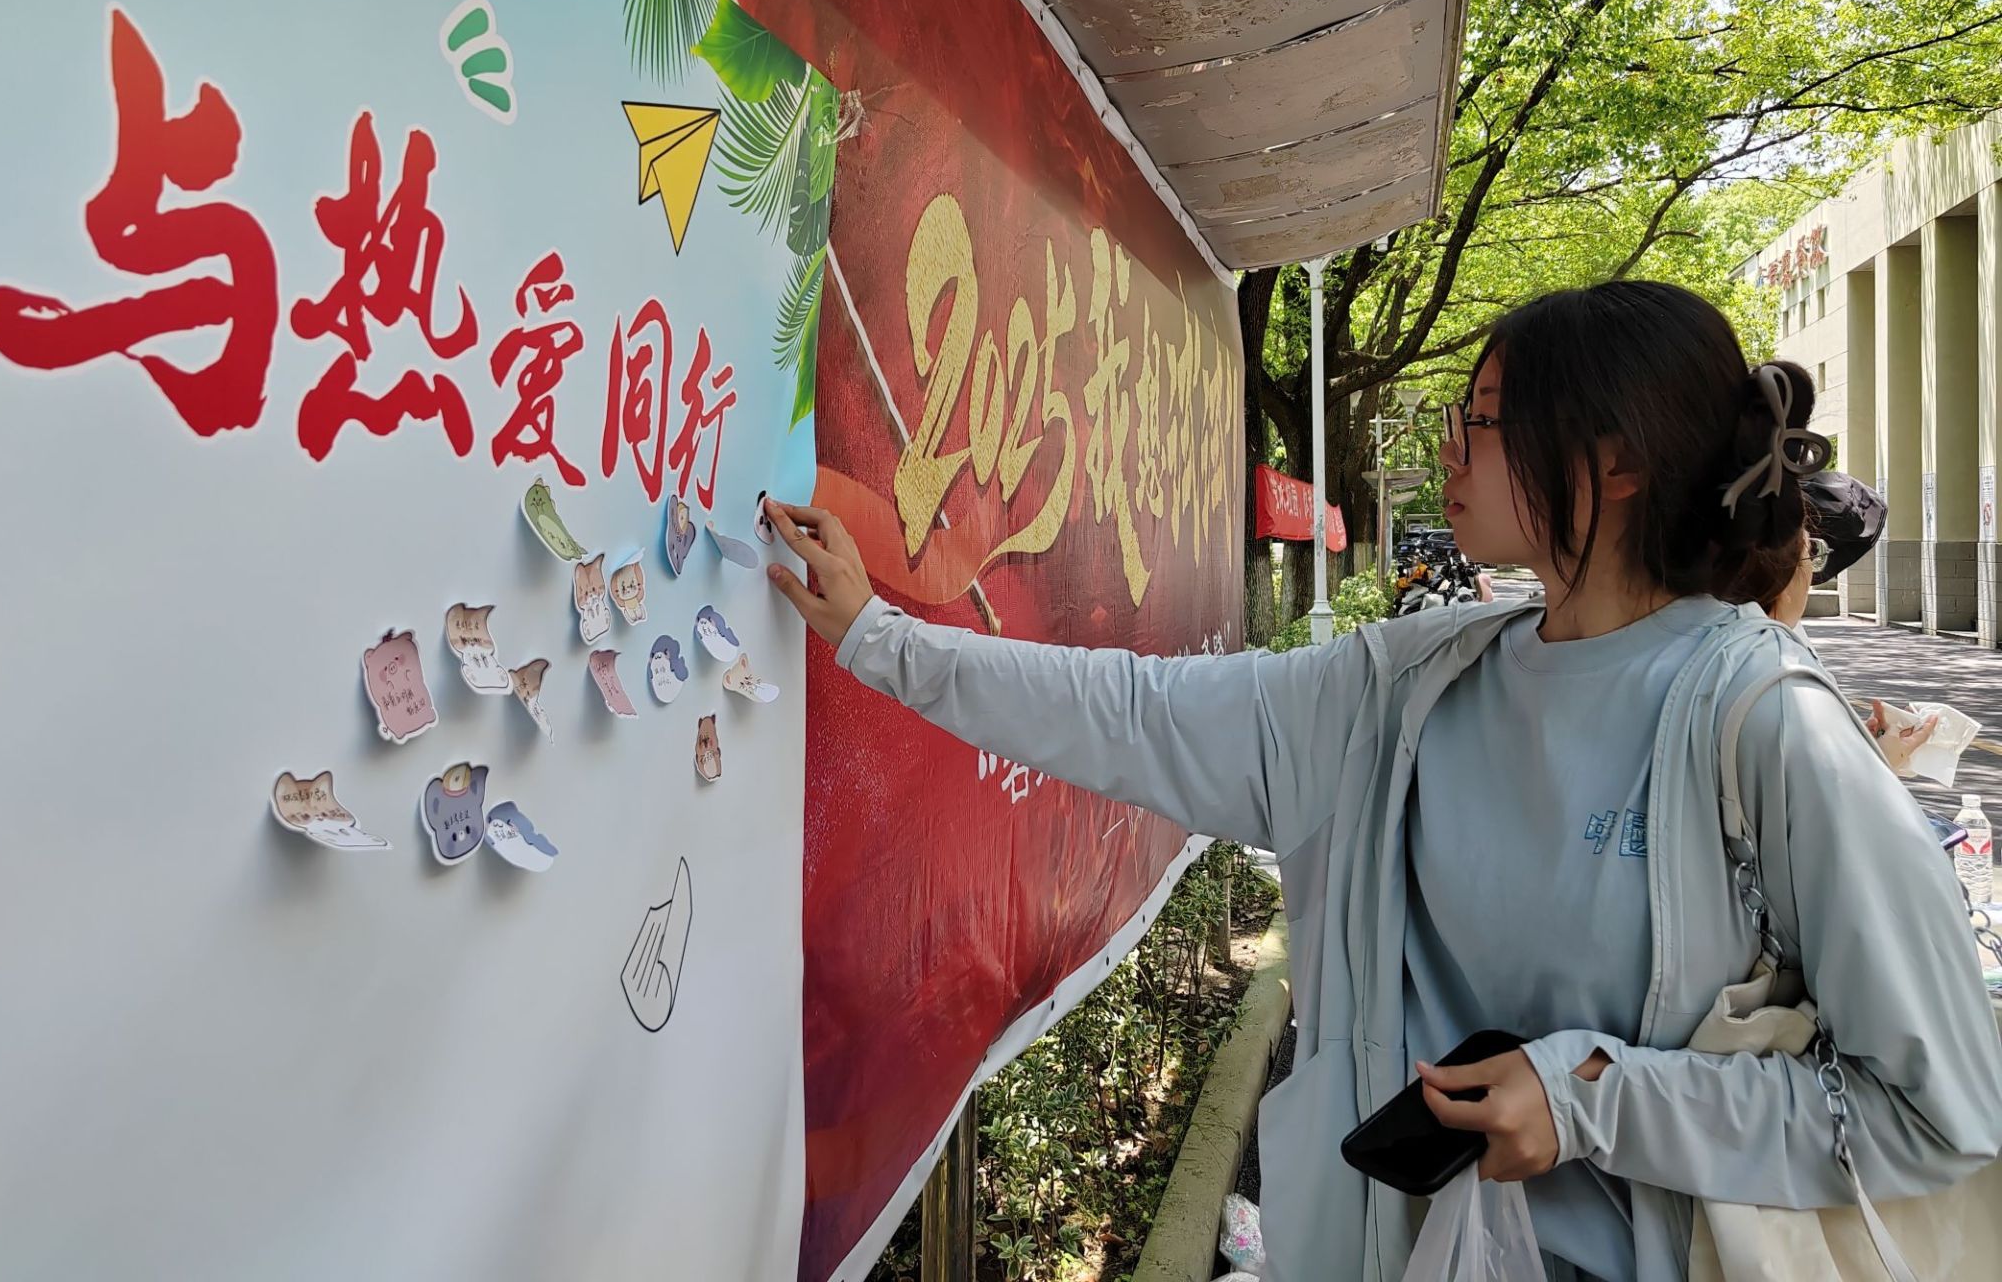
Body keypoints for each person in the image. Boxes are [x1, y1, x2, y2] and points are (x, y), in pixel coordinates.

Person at [764, 280, 2002, 1282]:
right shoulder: (1406, 685)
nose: (1446, 448)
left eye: (1483, 419)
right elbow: (1136, 713)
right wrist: (878, 636)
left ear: (1614, 461)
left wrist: (1595, 1100)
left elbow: (1938, 1109)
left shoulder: (1762, 727)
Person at [1740, 472, 1940, 773]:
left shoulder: (1754, 647)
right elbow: (1813, 784)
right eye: (1812, 553)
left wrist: (1857, 743)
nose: (1815, 573)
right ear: (1780, 568)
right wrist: (1880, 761)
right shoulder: (1777, 670)